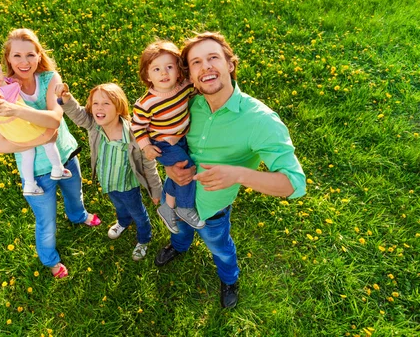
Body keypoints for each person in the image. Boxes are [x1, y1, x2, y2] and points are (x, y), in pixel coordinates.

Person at [154, 32, 306, 308]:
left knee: (220, 248)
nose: (206, 67)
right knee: (178, 230)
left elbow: (294, 184)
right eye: (196, 62)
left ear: (230, 64)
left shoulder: (260, 121)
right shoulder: (189, 104)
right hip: (176, 195)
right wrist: (169, 166)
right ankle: (178, 247)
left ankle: (229, 278)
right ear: (190, 74)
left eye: (214, 58)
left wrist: (238, 174)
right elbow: (163, 137)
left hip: (213, 211)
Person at [0, 28, 101, 279]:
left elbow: (55, 118)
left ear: (39, 56)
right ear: (8, 59)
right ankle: (50, 259)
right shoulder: (3, 92)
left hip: (65, 156)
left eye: (30, 55)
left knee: (75, 193)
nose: (24, 62)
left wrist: (17, 111)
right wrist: (39, 140)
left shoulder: (50, 78)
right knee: (46, 221)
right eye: (17, 56)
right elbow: (2, 145)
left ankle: (78, 215)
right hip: (37, 173)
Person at [55, 82, 163, 261]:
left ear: (119, 107)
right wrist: (67, 99)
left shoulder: (134, 135)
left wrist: (156, 189)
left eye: (106, 103)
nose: (99, 108)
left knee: (137, 212)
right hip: (108, 182)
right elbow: (78, 114)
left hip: (128, 186)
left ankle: (144, 239)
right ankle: (123, 222)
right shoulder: (94, 126)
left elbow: (148, 164)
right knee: (119, 206)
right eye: (95, 103)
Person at [0, 52, 72, 197]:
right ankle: (57, 168)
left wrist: (13, 82)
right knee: (48, 137)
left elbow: (9, 84)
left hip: (14, 127)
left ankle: (30, 184)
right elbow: (1, 98)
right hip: (18, 124)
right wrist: (12, 87)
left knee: (27, 153)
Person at [131, 40, 203, 231]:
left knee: (176, 174)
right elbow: (137, 126)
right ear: (147, 75)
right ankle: (185, 208)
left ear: (179, 70)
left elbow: (198, 88)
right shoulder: (146, 103)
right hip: (162, 144)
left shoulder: (184, 87)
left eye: (169, 67)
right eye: (156, 69)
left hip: (181, 138)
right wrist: (146, 147)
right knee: (186, 168)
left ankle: (167, 206)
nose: (164, 73)